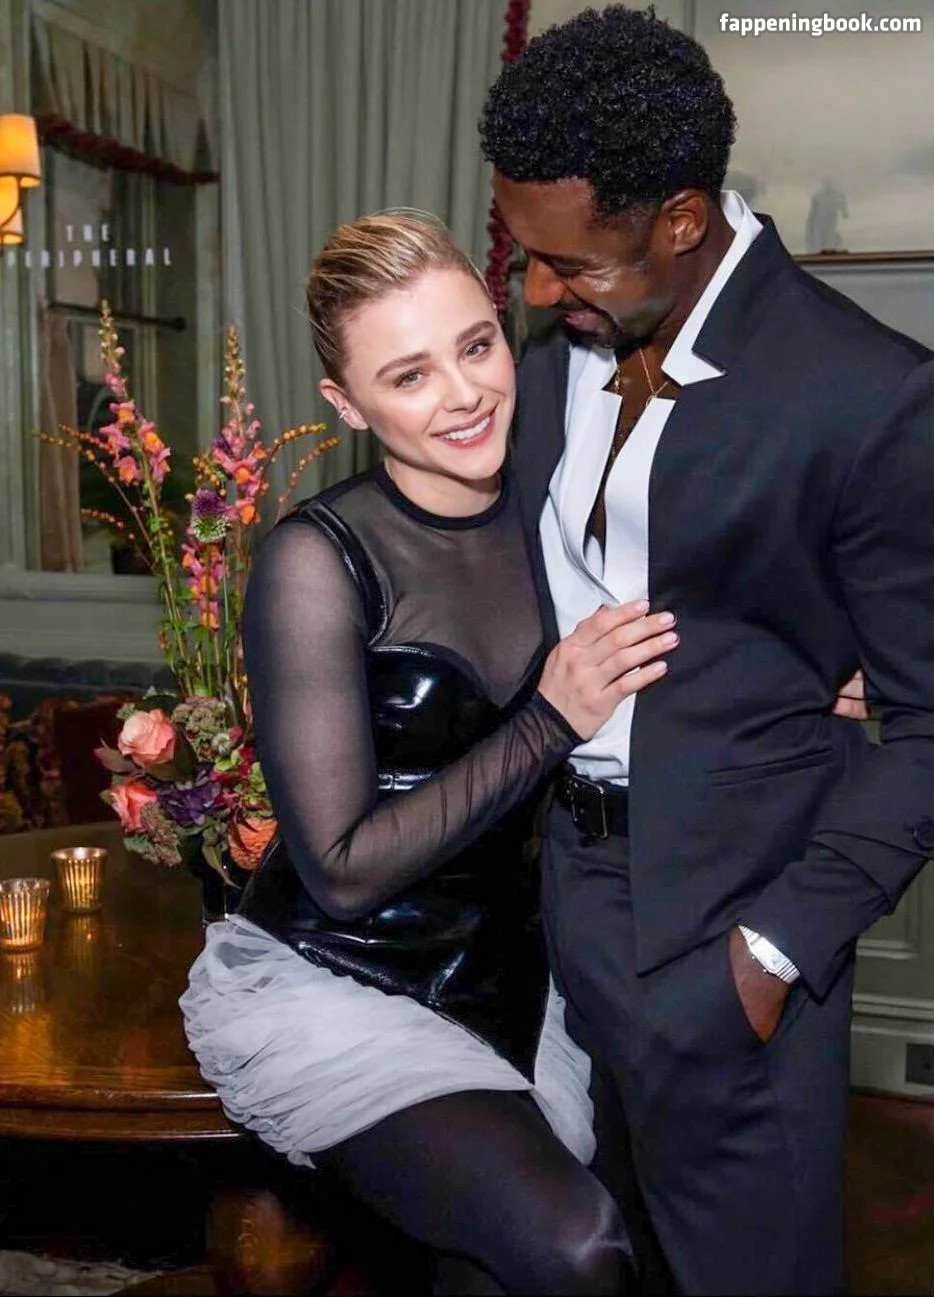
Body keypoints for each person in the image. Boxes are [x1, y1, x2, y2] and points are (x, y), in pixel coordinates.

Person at [478, 7, 934, 1295]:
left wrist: (769, 955)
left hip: (727, 942)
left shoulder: (868, 393)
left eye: (570, 264)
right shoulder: (550, 356)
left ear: (680, 219)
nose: (538, 293)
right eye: (525, 256)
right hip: (557, 915)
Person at [181, 210, 686, 1296]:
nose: (464, 394)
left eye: (475, 345)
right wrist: (548, 719)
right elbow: (340, 866)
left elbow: (681, 618)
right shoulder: (315, 560)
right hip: (345, 986)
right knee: (577, 1247)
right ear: (347, 404)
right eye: (409, 375)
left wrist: (815, 678)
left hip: (525, 980)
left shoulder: (558, 512)